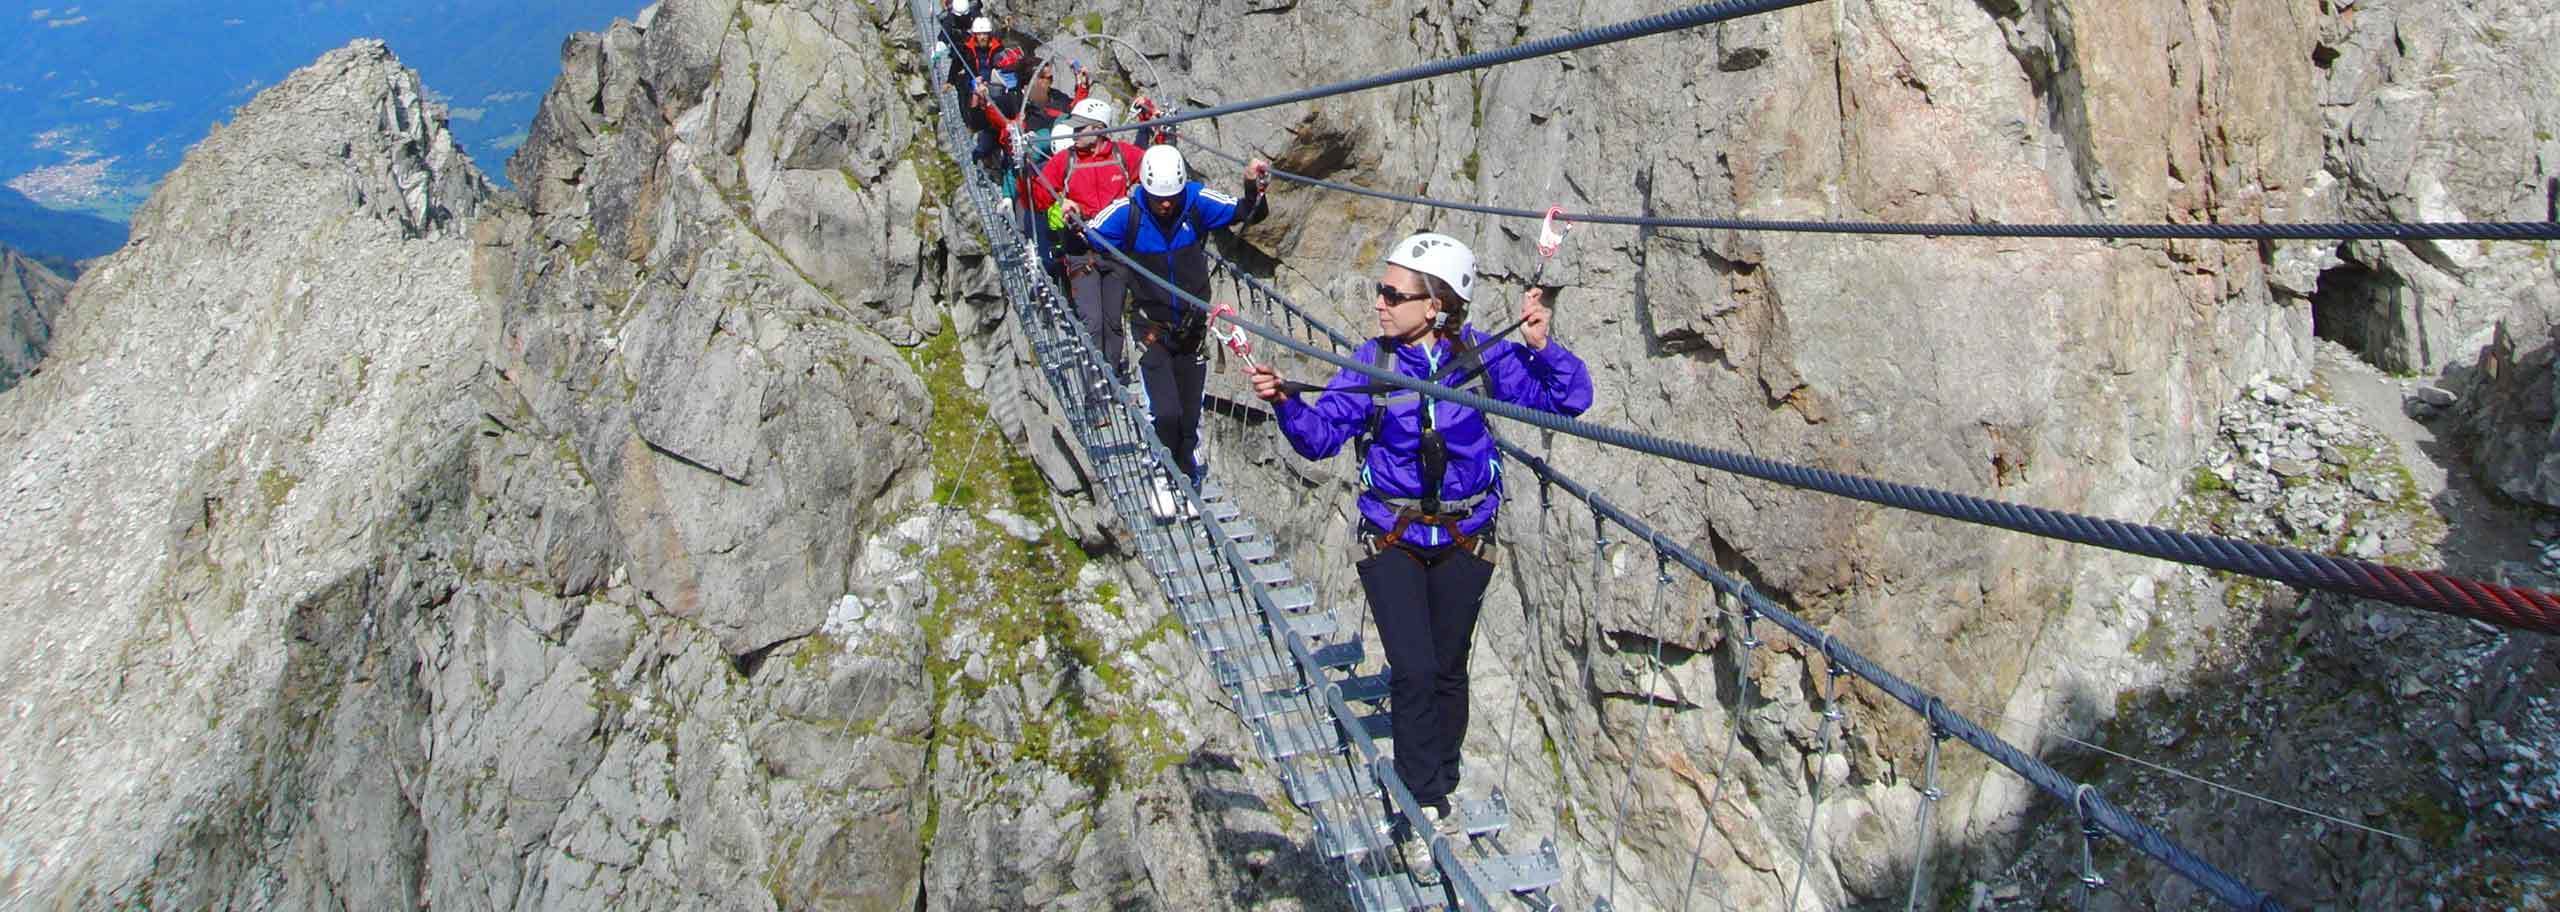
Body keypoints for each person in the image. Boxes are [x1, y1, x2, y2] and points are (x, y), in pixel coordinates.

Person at [1245, 233, 1592, 884]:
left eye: (1392, 293)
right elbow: (1322, 439)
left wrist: (1544, 346)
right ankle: (1419, 801)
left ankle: (1444, 777)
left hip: (1466, 538)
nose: (1379, 302)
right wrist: (1286, 402)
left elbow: (1569, 400)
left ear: (1436, 305)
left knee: (1449, 669)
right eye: (1381, 289)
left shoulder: (1483, 361)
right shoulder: (1369, 362)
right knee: (1414, 669)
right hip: (1393, 539)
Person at [1084, 145, 1269, 513]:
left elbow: (1248, 213)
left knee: (1188, 413)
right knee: (1165, 411)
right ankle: (1162, 471)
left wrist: (1252, 186)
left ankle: (1185, 470)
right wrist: (1071, 215)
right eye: (1158, 199)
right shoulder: (1129, 212)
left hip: (1193, 327)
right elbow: (1088, 234)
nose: (1165, 205)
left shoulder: (1196, 202)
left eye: (1171, 198)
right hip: (1151, 326)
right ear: (1145, 191)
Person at [1032, 98, 1145, 380]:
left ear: (1097, 130)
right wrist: (1062, 202)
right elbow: (1039, 195)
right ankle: (1097, 386)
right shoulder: (1065, 161)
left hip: (1115, 251)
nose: (1072, 134)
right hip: (1081, 252)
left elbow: (1149, 169)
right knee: (1092, 322)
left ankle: (1113, 377)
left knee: (1113, 322)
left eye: (1078, 128)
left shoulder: (1123, 156)